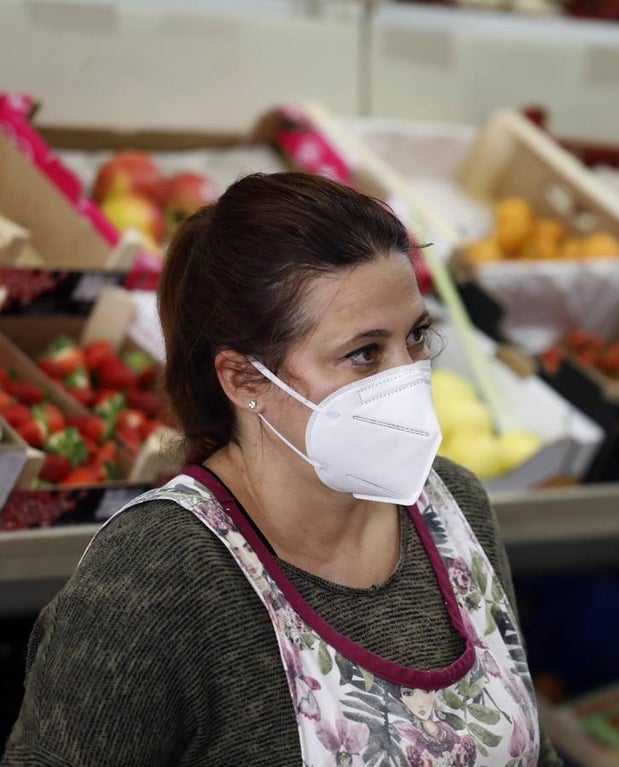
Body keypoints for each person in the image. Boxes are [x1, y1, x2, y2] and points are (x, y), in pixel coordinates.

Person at [2, 172, 561, 767]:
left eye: (416, 338)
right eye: (365, 353)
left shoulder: (454, 506)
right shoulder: (156, 577)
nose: (408, 377)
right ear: (245, 380)